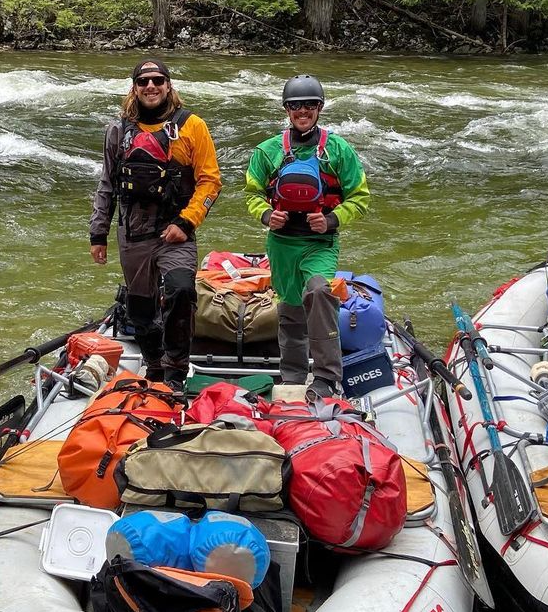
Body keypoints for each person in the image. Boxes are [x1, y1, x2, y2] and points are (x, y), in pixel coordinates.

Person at [90, 60, 222, 391]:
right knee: (140, 308)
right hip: (133, 232)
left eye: (158, 80)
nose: (151, 86)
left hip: (175, 232)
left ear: (168, 85)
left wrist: (187, 222)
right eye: (144, 81)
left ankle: (175, 371)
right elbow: (107, 185)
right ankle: (154, 365)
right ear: (134, 88)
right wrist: (98, 233)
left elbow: (210, 182)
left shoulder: (192, 126)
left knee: (180, 289)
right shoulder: (118, 131)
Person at [245, 75, 370, 401]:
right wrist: (266, 215)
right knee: (290, 311)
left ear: (320, 108)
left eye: (310, 105)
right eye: (296, 105)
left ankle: (327, 376)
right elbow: (252, 193)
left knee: (318, 291)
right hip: (282, 244)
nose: (303, 111)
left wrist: (331, 220)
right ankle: (293, 376)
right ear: (287, 110)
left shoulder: (338, 150)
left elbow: (360, 197)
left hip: (320, 243)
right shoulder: (268, 151)